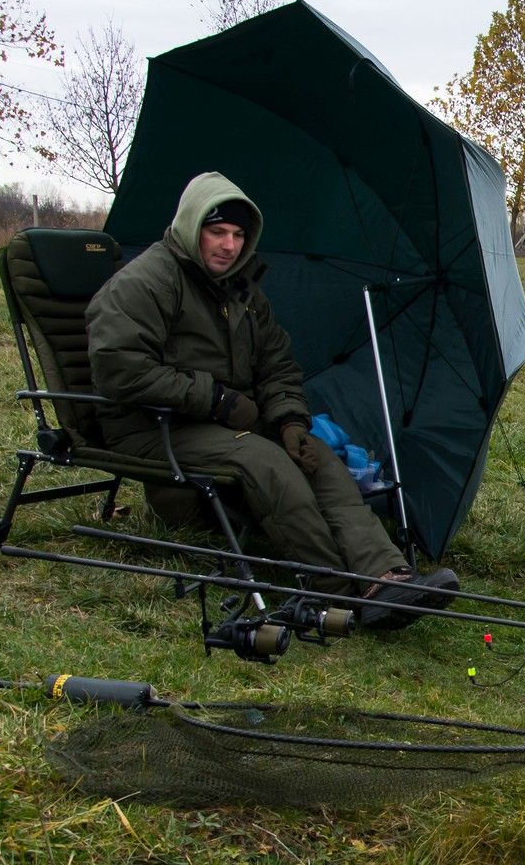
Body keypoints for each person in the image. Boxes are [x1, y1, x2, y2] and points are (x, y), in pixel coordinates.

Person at [86, 171, 457, 629]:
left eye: (239, 234)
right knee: (267, 462)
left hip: (224, 421)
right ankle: (336, 589)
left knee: (315, 456)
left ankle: (385, 575)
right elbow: (118, 368)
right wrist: (217, 400)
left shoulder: (241, 290)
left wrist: (288, 421)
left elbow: (277, 364)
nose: (229, 245)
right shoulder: (143, 283)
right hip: (149, 426)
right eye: (217, 231)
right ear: (190, 227)